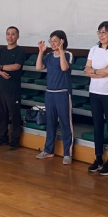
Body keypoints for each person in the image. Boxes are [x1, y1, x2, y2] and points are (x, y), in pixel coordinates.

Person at [84, 21, 108, 175]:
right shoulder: (93, 49)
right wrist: (98, 72)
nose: (101, 35)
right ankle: (98, 158)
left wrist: (95, 71)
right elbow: (86, 70)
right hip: (94, 91)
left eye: (104, 32)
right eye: (99, 32)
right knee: (97, 126)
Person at [35, 30, 74, 165]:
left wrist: (61, 51)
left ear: (62, 41)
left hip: (63, 93)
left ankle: (67, 153)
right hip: (50, 93)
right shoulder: (49, 56)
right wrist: (41, 52)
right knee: (50, 122)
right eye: (51, 41)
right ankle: (48, 150)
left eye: (55, 41)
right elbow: (38, 67)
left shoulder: (68, 54)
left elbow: (64, 68)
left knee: (65, 122)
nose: (52, 44)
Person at [0, 26, 26, 150]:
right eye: (8, 34)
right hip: (1, 87)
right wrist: (1, 72)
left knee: (14, 114)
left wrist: (0, 67)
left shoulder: (20, 51)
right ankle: (2, 137)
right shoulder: (1, 50)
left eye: (13, 34)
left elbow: (16, 66)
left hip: (13, 88)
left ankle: (15, 140)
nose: (10, 37)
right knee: (2, 113)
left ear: (17, 36)